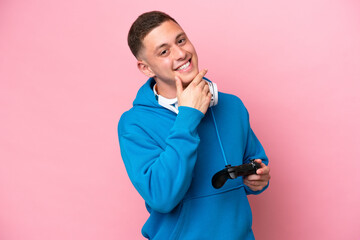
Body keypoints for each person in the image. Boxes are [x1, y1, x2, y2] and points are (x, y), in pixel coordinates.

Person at [118, 11, 271, 240]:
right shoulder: (134, 125)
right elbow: (162, 197)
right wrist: (188, 117)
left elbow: (256, 162)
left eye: (181, 40)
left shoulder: (232, 106)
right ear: (146, 68)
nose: (181, 53)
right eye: (164, 51)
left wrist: (257, 179)